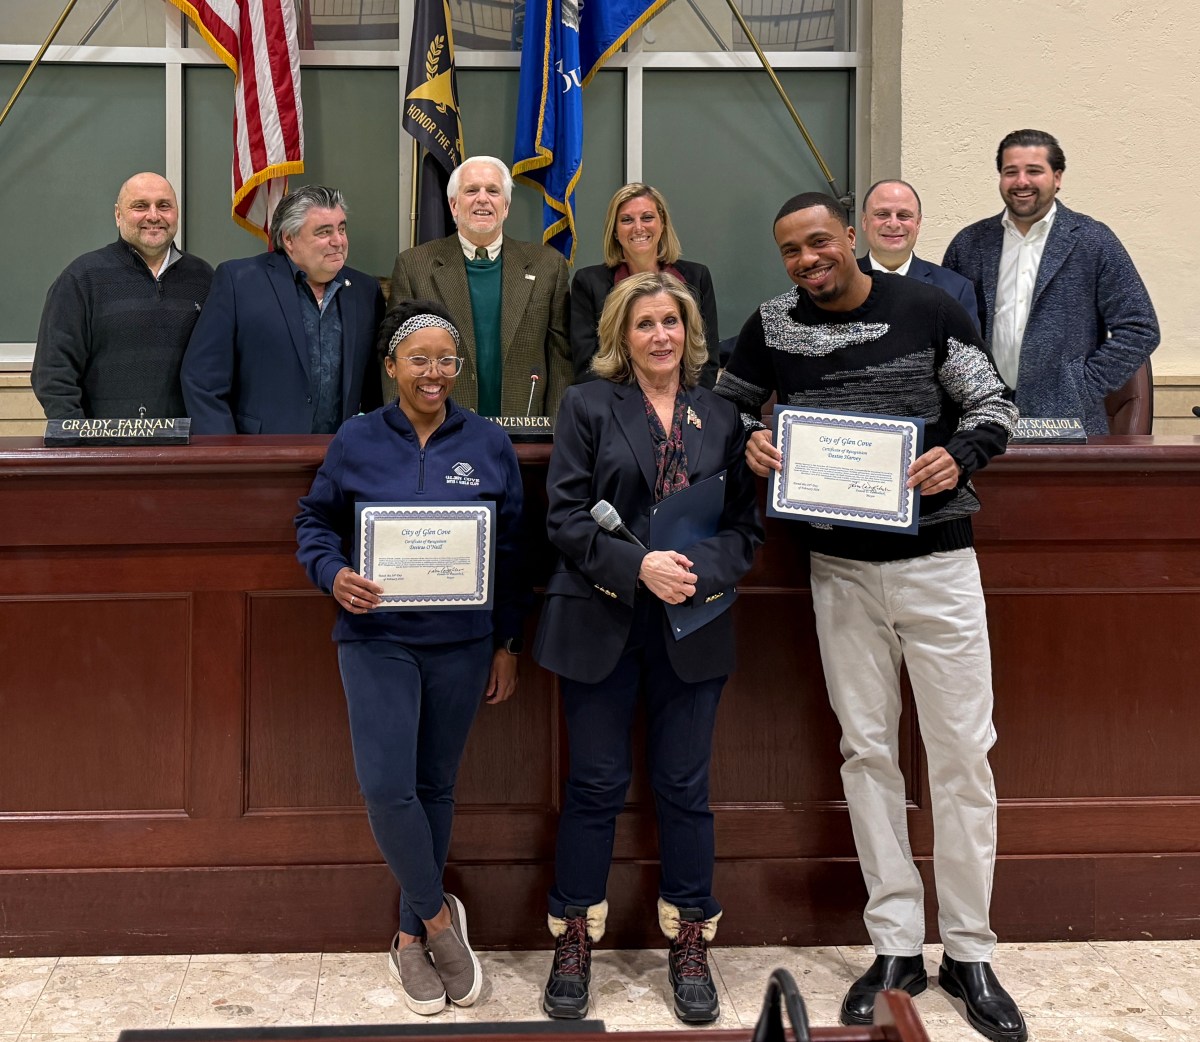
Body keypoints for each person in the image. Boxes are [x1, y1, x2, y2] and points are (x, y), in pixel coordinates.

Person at [716, 194, 1025, 1042]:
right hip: (839, 570)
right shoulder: (773, 324)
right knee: (868, 752)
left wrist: (956, 454)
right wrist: (749, 438)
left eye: (819, 241)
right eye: (789, 250)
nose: (807, 259)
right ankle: (894, 946)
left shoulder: (926, 306)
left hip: (938, 565)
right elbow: (726, 406)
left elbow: (995, 404)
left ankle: (968, 951)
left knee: (964, 754)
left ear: (850, 236)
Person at [534, 272, 762, 1025]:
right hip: (600, 622)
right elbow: (565, 519)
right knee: (595, 786)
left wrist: (693, 576)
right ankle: (574, 938)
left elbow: (745, 531)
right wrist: (640, 567)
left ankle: (691, 938)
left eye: (670, 321)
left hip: (693, 625)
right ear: (620, 338)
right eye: (644, 325)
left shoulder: (722, 415)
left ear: (688, 330)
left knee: (684, 787)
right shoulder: (588, 405)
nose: (660, 335)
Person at [294, 299, 526, 1016]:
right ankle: (435, 922)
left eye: (445, 361)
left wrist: (507, 642)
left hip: (461, 645)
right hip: (377, 640)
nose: (433, 373)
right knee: (388, 786)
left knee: (435, 787)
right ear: (391, 366)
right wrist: (333, 574)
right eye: (418, 359)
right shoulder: (358, 439)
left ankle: (403, 936)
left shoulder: (488, 442)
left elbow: (514, 554)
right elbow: (314, 522)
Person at [942, 129, 1159, 435]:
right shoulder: (969, 244)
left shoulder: (1092, 240)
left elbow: (1140, 327)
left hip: (1067, 421)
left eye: (1034, 171)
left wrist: (1081, 387)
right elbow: (946, 330)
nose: (1021, 182)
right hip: (982, 418)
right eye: (1010, 172)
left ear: (1057, 178)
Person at [182, 185, 384, 434]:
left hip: (342, 457)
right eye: (324, 232)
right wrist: (226, 457)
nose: (338, 241)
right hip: (261, 458)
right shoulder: (240, 281)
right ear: (289, 239)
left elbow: (376, 387)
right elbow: (203, 380)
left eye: (341, 229)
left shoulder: (365, 290)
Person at [387, 156, 571, 417]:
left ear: (505, 207)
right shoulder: (414, 266)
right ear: (453, 205)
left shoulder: (548, 267)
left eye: (493, 191)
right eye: (471, 190)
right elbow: (397, 357)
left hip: (523, 434)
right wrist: (402, 431)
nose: (482, 199)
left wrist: (557, 433)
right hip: (439, 430)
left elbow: (560, 359)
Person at [32, 172, 213, 419]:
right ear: (118, 215)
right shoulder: (81, 278)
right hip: (106, 450)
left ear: (176, 213)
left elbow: (219, 368)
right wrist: (78, 439)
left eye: (164, 206)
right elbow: (53, 372)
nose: (153, 216)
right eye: (140, 206)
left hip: (186, 446)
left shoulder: (204, 278)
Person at [570, 183, 721, 387]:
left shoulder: (697, 277)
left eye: (647, 217)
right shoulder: (588, 283)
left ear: (663, 223)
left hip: (685, 404)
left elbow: (706, 361)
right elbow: (587, 368)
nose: (639, 227)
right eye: (627, 220)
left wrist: (683, 409)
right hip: (616, 408)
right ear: (615, 231)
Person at [857, 179, 980, 332]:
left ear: (918, 223)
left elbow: (969, 355)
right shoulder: (840, 281)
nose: (893, 224)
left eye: (903, 215)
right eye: (882, 214)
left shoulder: (956, 290)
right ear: (864, 221)